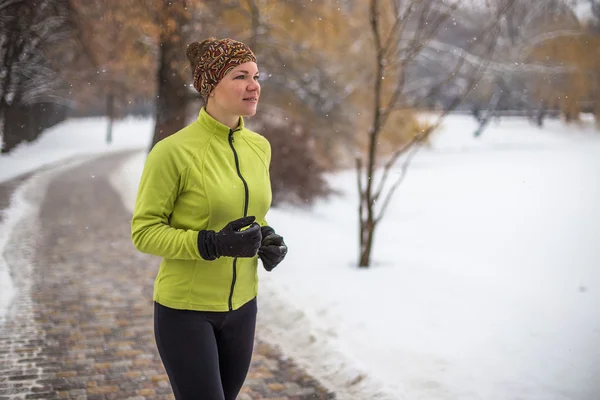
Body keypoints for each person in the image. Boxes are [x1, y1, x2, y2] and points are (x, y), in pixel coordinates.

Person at [131, 37, 288, 400]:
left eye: (256, 75)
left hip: (243, 309)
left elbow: (254, 216)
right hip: (186, 312)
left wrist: (267, 239)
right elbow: (144, 232)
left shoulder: (259, 147)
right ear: (211, 86)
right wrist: (211, 243)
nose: (254, 85)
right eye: (240, 76)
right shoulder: (172, 152)